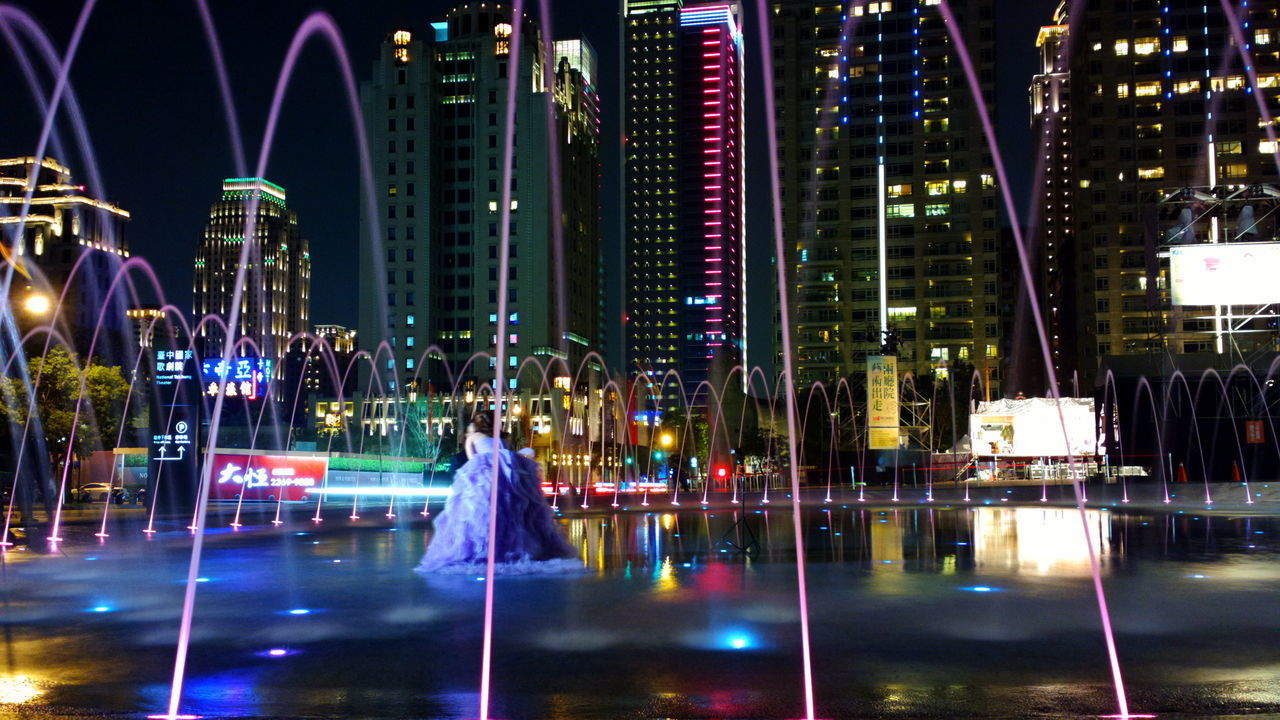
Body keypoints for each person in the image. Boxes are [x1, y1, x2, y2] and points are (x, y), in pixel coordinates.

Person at [417, 411, 578, 574]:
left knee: (479, 516)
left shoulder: (474, 437)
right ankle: (511, 549)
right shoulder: (502, 439)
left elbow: (473, 459)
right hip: (506, 479)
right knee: (508, 514)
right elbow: (509, 459)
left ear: (478, 423)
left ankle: (481, 550)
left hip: (484, 479)